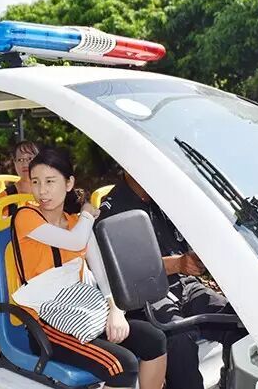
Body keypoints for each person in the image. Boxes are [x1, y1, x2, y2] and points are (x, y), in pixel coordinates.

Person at [14, 148, 167, 389]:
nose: (42, 191)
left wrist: (115, 310)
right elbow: (75, 242)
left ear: (68, 183)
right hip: (46, 322)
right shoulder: (25, 216)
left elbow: (100, 271)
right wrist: (87, 214)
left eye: (50, 181)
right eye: (36, 182)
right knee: (122, 366)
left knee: (155, 340)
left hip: (82, 312)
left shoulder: (75, 222)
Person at [96, 171, 246, 389]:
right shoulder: (112, 211)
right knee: (179, 338)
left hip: (185, 285)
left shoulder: (166, 198)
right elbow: (125, 269)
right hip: (146, 296)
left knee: (238, 321)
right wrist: (178, 264)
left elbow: (190, 241)